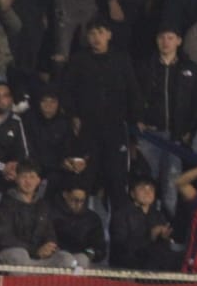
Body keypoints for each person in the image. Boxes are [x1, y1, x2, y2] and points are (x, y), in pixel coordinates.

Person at [58, 17, 138, 208]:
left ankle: (117, 231)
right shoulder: (79, 59)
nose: (96, 38)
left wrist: (135, 122)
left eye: (100, 32)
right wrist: (73, 115)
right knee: (85, 179)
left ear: (109, 35)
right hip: (88, 130)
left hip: (116, 129)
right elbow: (66, 90)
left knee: (117, 182)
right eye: (92, 33)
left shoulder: (121, 59)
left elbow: (133, 92)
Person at [134, 26, 197, 215]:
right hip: (150, 135)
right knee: (146, 182)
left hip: (176, 138)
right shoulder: (144, 67)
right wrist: (138, 119)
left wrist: (190, 130)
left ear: (178, 41)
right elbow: (133, 95)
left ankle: (168, 228)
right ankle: (145, 226)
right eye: (162, 37)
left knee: (171, 186)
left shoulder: (190, 69)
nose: (166, 42)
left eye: (170, 37)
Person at [0, 162, 85, 268]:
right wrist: (35, 251)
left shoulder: (43, 205)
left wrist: (49, 247)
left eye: (32, 177)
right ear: (16, 179)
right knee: (19, 255)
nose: (28, 181)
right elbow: (4, 238)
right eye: (24, 177)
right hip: (17, 256)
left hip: (40, 258)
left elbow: (50, 234)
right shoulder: (6, 203)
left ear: (38, 181)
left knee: (67, 259)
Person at [108, 175, 179, 271]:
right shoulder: (121, 214)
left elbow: (164, 246)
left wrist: (163, 237)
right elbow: (120, 246)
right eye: (142, 188)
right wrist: (150, 236)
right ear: (132, 193)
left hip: (154, 261)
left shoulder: (158, 215)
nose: (148, 192)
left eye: (151, 189)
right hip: (128, 264)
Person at [52, 184, 107, 264]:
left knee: (82, 259)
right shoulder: (53, 214)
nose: (78, 204)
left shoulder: (93, 219)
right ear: (65, 195)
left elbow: (99, 248)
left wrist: (88, 254)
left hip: (83, 256)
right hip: (58, 255)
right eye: (74, 200)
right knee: (67, 259)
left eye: (82, 201)